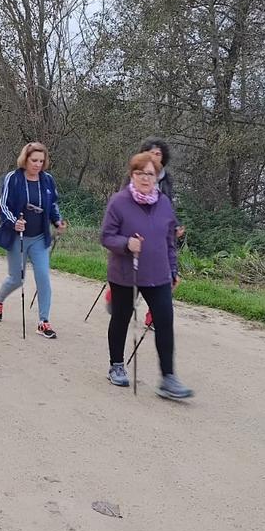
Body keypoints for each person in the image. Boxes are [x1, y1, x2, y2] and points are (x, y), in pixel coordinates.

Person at [100, 151, 192, 399]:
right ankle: (116, 365)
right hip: (125, 274)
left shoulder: (164, 203)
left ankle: (168, 378)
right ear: (132, 175)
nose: (144, 178)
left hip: (158, 274)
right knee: (121, 318)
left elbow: (170, 240)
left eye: (150, 174)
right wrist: (126, 243)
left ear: (157, 177)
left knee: (164, 322)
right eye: (139, 173)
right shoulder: (119, 202)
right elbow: (106, 236)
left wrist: (173, 270)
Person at [0, 142, 67, 337]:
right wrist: (14, 222)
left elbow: (53, 204)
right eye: (34, 160)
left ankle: (44, 321)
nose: (37, 165)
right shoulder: (13, 178)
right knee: (17, 279)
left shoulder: (47, 180)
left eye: (41, 161)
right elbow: (4, 205)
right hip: (18, 237)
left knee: (43, 277)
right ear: (25, 159)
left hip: (40, 237)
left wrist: (58, 221)